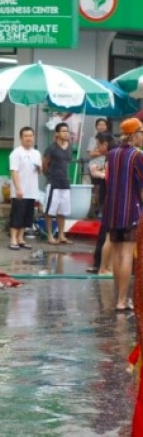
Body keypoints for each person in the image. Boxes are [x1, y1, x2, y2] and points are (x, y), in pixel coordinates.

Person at [102, 118, 143, 311]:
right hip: (130, 209)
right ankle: (121, 299)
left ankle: (119, 298)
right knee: (126, 255)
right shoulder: (137, 156)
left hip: (113, 210)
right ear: (134, 134)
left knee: (117, 254)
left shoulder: (112, 154)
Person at [8, 127, 42, 251]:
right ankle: (13, 239)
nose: (28, 138)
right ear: (21, 138)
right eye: (26, 136)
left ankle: (21, 238)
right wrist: (18, 188)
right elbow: (14, 171)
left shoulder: (36, 153)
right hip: (20, 190)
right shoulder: (16, 153)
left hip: (31, 190)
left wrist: (39, 168)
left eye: (30, 136)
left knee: (27, 216)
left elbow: (39, 171)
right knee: (16, 215)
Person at [88, 131, 118, 274]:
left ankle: (102, 266)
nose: (97, 148)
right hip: (112, 199)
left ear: (105, 144)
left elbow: (111, 178)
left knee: (107, 235)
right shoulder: (114, 155)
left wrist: (99, 174)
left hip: (111, 200)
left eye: (98, 145)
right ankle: (104, 266)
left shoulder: (112, 156)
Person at [42, 122, 73, 245]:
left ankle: (61, 235)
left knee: (62, 211)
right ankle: (50, 235)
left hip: (65, 183)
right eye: (63, 131)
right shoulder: (52, 148)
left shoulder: (69, 146)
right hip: (53, 183)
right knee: (50, 211)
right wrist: (49, 176)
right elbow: (45, 164)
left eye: (67, 131)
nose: (66, 133)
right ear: (57, 134)